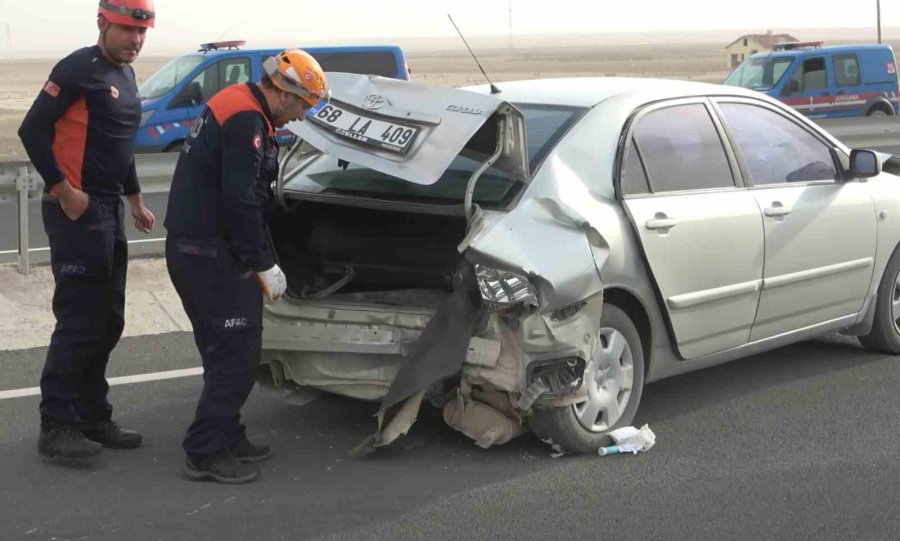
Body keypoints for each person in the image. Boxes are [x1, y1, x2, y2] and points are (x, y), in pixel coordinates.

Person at [165, 49, 329, 483]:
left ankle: (227, 432)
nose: (299, 117)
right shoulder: (245, 119)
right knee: (235, 356)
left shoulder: (240, 101)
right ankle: (205, 450)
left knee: (226, 352)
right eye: (302, 107)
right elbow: (239, 201)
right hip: (208, 253)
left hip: (198, 248)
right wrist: (264, 263)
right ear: (286, 92)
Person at [17, 0, 157, 459]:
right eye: (127, 31)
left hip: (110, 208)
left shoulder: (127, 76)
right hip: (75, 209)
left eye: (142, 33)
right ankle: (56, 426)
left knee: (108, 320)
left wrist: (134, 198)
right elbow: (32, 130)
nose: (136, 41)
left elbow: (121, 146)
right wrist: (63, 189)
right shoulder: (77, 68)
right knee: (79, 322)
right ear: (102, 23)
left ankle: (93, 416)